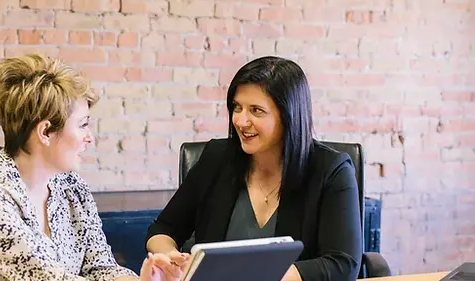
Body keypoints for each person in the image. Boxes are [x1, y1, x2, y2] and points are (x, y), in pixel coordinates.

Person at [0, 54, 182, 281]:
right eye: (83, 125)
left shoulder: (71, 187)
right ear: (45, 132)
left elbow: (100, 269)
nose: (90, 137)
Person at [145, 56, 363, 281]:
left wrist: (262, 273)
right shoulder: (216, 159)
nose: (240, 121)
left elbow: (343, 264)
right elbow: (163, 228)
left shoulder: (331, 170)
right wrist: (170, 257)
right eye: (237, 107)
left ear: (288, 116)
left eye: (256, 110)